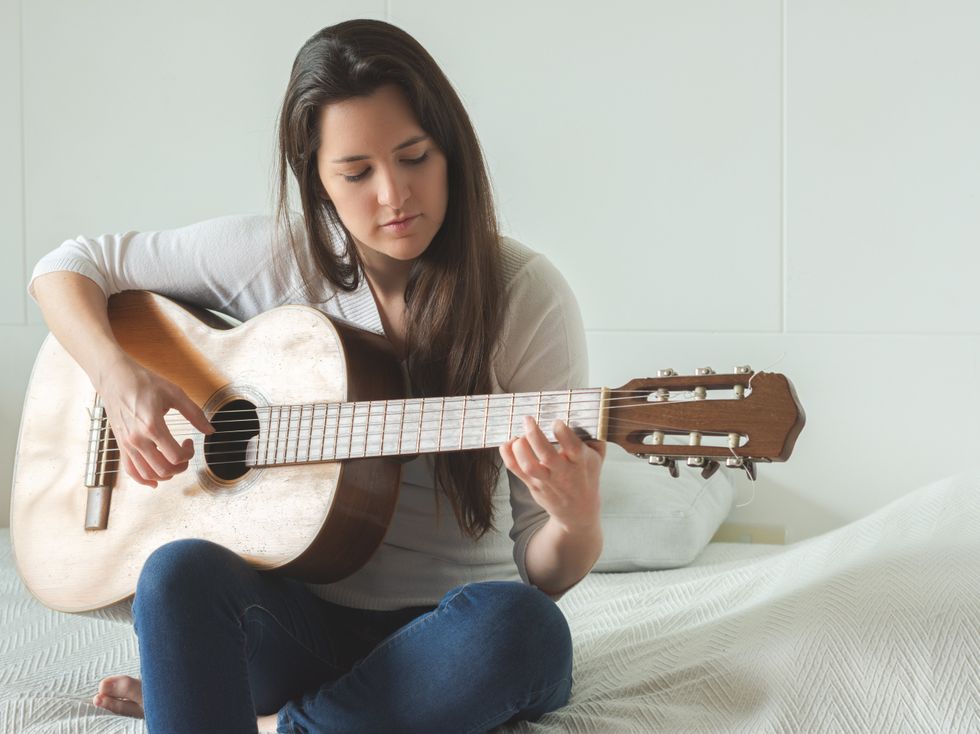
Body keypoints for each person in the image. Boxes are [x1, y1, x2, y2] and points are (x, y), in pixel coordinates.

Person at [29, 18, 605, 734]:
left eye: (414, 157)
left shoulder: (524, 295)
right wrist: (117, 378)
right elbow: (68, 266)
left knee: (524, 629)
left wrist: (576, 519)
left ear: (451, 150)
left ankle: (273, 725)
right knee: (175, 572)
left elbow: (544, 569)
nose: (394, 194)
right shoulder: (275, 259)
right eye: (356, 173)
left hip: (445, 645)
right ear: (317, 180)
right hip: (293, 631)